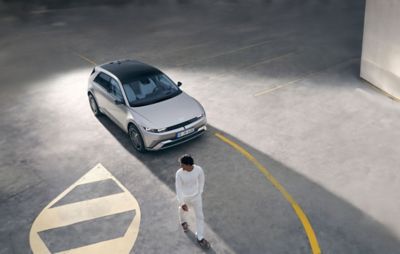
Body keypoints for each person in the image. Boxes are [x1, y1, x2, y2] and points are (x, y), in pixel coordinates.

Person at [175, 154, 210, 249]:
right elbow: (178, 188)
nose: (180, 166)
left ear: (189, 165)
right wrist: (182, 203)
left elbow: (202, 180)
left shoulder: (198, 170)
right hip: (185, 197)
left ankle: (200, 237)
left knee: (200, 216)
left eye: (182, 165)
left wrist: (200, 192)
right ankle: (183, 222)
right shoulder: (179, 173)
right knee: (182, 209)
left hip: (196, 197)